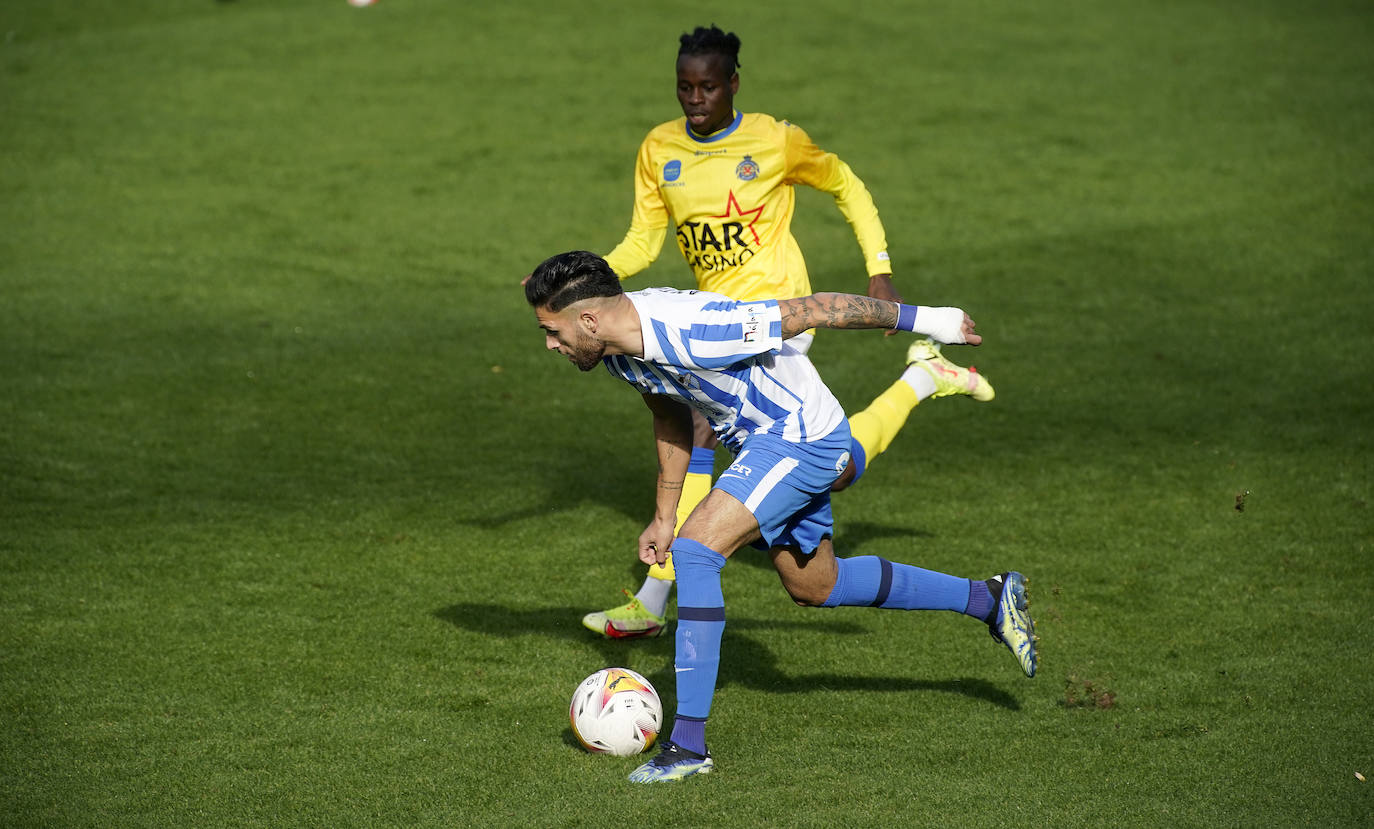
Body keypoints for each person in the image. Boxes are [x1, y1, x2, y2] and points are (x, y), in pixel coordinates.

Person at [526, 251, 1037, 783]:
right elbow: (670, 414)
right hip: (761, 444)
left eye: (552, 331)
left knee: (697, 553)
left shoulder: (693, 329)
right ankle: (989, 598)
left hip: (800, 437)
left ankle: (688, 747)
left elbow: (815, 309)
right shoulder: (614, 351)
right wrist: (663, 514)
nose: (550, 344)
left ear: (587, 319)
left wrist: (933, 320)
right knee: (816, 584)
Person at [584, 24, 994, 639]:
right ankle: (921, 379)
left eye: (708, 87)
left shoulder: (775, 141)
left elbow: (847, 186)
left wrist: (879, 272)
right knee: (836, 474)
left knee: (694, 417)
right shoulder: (658, 148)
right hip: (710, 323)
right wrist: (583, 286)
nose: (695, 100)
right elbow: (644, 241)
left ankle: (654, 595)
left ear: (733, 85)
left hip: (776, 321)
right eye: (683, 88)